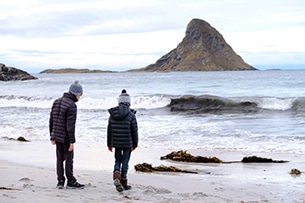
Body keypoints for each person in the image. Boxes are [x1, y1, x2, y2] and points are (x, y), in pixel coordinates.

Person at [49, 81, 85, 189]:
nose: (80, 97)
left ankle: (60, 181)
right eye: (80, 95)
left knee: (59, 159)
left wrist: (52, 135)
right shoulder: (72, 105)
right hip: (65, 137)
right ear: (76, 94)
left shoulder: (56, 101)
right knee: (69, 159)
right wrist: (71, 141)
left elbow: (51, 120)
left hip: (57, 135)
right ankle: (70, 181)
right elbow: (70, 126)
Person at [107, 89, 138, 192]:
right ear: (128, 102)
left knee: (117, 160)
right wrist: (135, 144)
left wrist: (109, 144)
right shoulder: (131, 115)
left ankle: (116, 175)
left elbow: (109, 130)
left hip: (116, 143)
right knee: (125, 161)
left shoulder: (112, 114)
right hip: (127, 143)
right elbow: (135, 131)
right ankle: (124, 182)